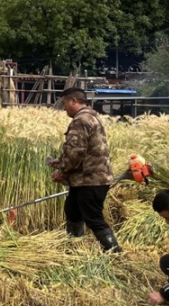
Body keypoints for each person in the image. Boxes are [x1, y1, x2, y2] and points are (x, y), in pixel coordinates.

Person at [48, 87, 121, 253]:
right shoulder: (92, 117)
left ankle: (115, 252)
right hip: (89, 179)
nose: (64, 108)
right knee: (72, 211)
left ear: (74, 101)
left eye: (65, 103)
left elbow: (75, 152)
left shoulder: (80, 120)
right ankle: (75, 248)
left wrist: (62, 172)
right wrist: (60, 161)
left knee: (93, 218)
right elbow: (86, 149)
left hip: (90, 180)